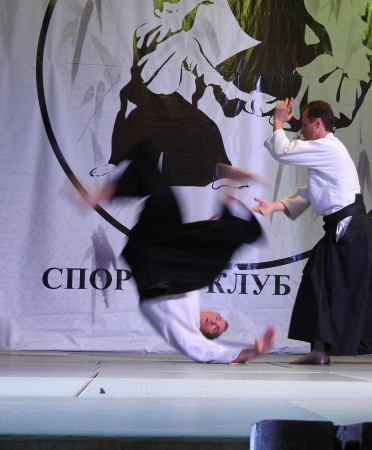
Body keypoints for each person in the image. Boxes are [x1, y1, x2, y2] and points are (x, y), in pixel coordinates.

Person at [252, 98, 372, 365]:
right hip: (351, 229)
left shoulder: (328, 147)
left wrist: (278, 121)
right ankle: (320, 350)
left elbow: (284, 151)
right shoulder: (328, 153)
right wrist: (275, 206)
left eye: (304, 124)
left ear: (318, 123)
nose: (301, 130)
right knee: (319, 280)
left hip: (350, 229)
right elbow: (311, 192)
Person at [88, 138, 275, 364]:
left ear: (204, 334)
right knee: (163, 197)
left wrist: (254, 353)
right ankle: (110, 191)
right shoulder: (192, 296)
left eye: (214, 328)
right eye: (217, 319)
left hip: (155, 276)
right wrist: (202, 236)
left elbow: (210, 353)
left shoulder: (187, 333)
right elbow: (192, 256)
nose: (213, 322)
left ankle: (230, 202)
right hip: (157, 251)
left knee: (217, 259)